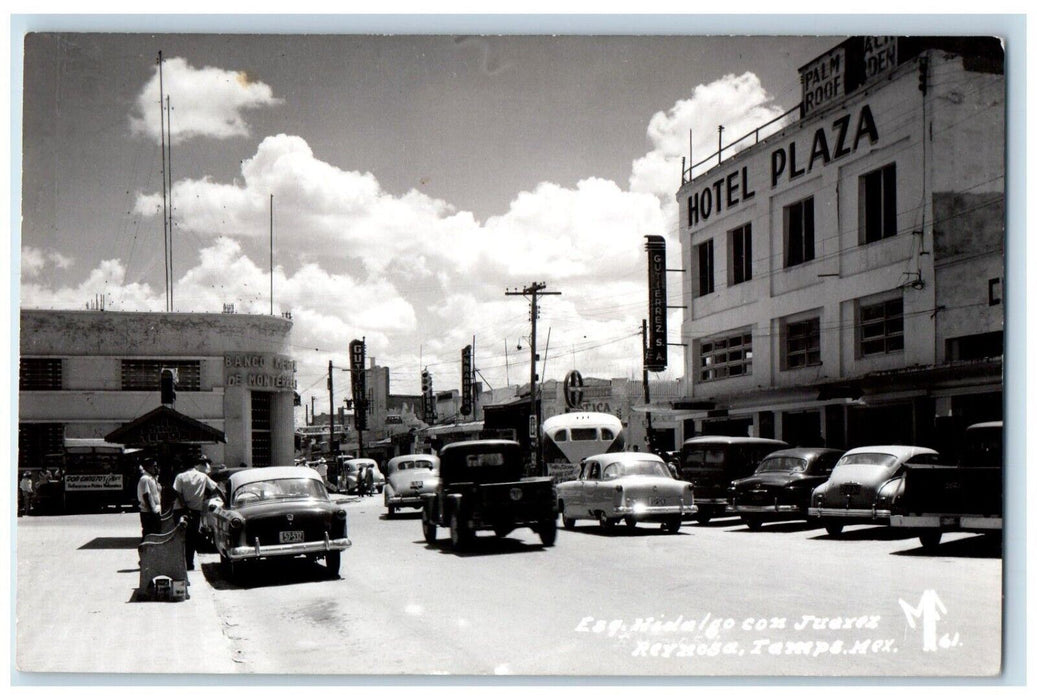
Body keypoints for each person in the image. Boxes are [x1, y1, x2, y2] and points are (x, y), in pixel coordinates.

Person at [172, 459, 219, 570]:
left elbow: (177, 492)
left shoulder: (180, 476)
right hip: (195, 511)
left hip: (180, 510)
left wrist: (184, 506)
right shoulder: (203, 476)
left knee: (179, 537)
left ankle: (179, 563)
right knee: (191, 538)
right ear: (195, 466)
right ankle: (189, 563)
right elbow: (216, 488)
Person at [137, 459, 162, 538]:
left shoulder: (152, 478)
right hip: (149, 513)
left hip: (154, 511)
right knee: (149, 536)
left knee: (155, 535)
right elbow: (146, 496)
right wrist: (152, 512)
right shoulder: (145, 479)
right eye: (154, 466)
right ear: (148, 467)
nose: (156, 468)